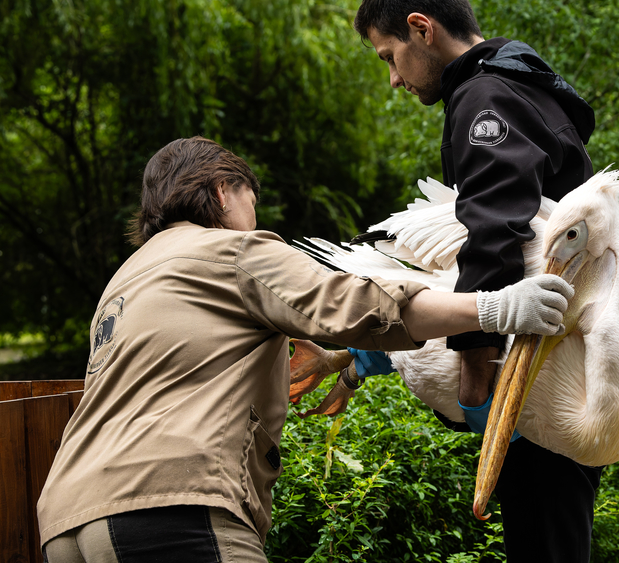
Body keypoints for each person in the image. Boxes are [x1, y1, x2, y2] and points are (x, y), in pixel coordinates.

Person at [36, 136, 574, 562]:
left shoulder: (126, 280)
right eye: (252, 200)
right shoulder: (230, 251)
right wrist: (497, 307)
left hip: (67, 522)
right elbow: (356, 304)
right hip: (171, 508)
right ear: (223, 191)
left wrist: (351, 364)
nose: (254, 216)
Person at [351, 0, 604, 561]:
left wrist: (474, 371)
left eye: (390, 56)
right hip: (563, 359)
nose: (393, 79)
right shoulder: (519, 85)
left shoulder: (485, 96)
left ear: (422, 28)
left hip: (532, 370)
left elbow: (495, 231)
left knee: (544, 542)